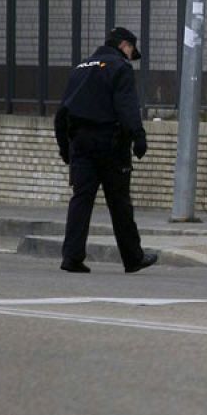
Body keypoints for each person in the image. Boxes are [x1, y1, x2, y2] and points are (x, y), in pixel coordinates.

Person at [54, 27, 158, 274]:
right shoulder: (120, 68)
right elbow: (126, 106)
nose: (131, 56)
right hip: (111, 144)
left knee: (81, 200)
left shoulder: (80, 68)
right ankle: (133, 258)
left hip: (80, 144)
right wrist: (138, 137)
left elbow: (62, 114)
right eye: (131, 50)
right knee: (119, 202)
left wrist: (65, 149)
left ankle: (72, 257)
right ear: (124, 45)